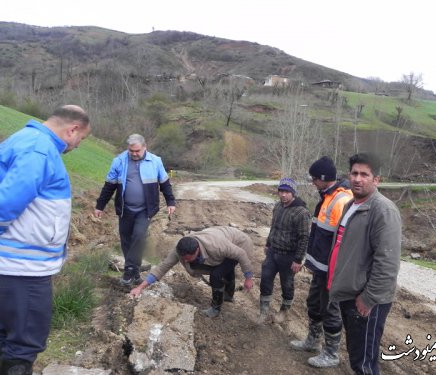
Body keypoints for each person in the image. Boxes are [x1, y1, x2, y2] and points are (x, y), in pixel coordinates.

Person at [0, 105, 91, 374]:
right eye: (81, 139)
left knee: (7, 334)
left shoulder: (27, 140)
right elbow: (7, 202)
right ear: (72, 129)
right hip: (22, 268)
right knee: (23, 343)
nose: (78, 145)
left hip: (15, 263)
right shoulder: (38, 149)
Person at [328, 152, 401, 375]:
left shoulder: (383, 210)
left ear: (376, 179)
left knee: (365, 363)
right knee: (356, 354)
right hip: (350, 294)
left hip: (366, 300)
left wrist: (368, 299)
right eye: (354, 173)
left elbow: (387, 262)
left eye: (365, 174)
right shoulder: (353, 204)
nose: (358, 179)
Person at [290, 156, 353, 368]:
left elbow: (345, 242)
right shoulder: (326, 197)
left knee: (330, 309)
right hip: (320, 267)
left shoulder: (341, 200)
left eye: (315, 178)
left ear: (325, 178)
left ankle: (331, 353)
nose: (313, 182)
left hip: (333, 270)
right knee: (314, 304)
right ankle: (312, 341)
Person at [94, 134, 176, 285]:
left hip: (145, 210)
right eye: (131, 151)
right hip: (125, 209)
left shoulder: (155, 161)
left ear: (145, 147)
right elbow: (109, 186)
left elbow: (165, 183)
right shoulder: (119, 161)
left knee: (138, 237)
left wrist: (170, 201)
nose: (134, 154)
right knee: (126, 241)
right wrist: (100, 205)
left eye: (137, 150)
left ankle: (128, 271)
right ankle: (136, 274)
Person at [129, 226, 254, 318]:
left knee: (216, 275)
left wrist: (248, 278)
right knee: (222, 269)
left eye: (188, 259)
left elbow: (241, 254)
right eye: (183, 259)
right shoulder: (180, 249)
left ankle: (215, 308)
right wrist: (140, 287)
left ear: (197, 250)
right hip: (225, 240)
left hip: (240, 244)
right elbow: (163, 267)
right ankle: (228, 296)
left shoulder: (216, 246)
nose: (185, 261)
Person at [259, 178, 310, 318]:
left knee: (287, 284)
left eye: (287, 192)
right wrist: (268, 243)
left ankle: (285, 310)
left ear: (293, 193)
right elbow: (274, 227)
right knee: (265, 278)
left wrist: (298, 260)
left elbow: (304, 238)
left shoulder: (301, 212)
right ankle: (264, 310)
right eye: (281, 191)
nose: (283, 195)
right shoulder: (278, 206)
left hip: (289, 256)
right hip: (273, 252)